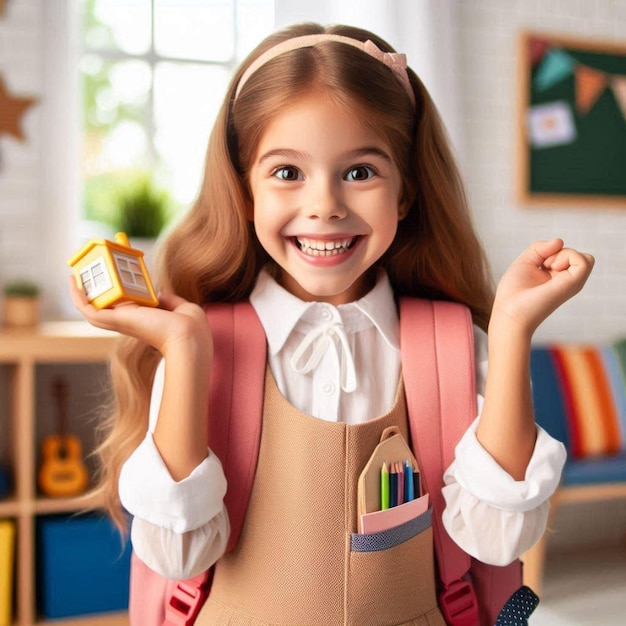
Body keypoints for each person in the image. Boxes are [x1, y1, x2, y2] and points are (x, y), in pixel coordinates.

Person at [70, 22, 594, 625]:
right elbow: (176, 553)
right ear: (245, 193)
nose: (325, 205)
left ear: (404, 193)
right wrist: (187, 352)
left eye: (360, 171)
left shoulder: (451, 347)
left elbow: (497, 539)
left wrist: (509, 331)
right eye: (287, 173)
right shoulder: (206, 347)